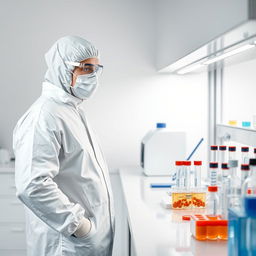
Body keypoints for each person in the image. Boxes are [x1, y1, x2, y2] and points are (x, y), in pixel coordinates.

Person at [13, 36, 115, 256]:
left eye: (97, 69)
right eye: (86, 68)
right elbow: (32, 184)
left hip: (87, 241)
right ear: (63, 68)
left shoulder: (72, 111)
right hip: (66, 244)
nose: (93, 76)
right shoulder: (43, 116)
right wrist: (80, 227)